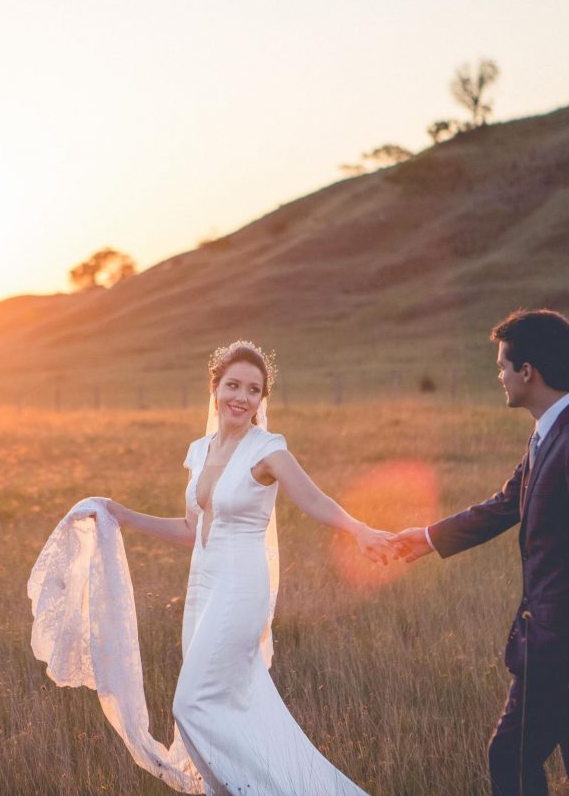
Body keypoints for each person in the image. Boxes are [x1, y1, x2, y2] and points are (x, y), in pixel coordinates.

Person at [100, 340, 393, 794]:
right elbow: (188, 529)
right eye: (233, 385)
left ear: (262, 399)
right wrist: (122, 514)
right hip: (202, 590)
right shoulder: (199, 451)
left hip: (241, 590)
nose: (242, 397)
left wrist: (359, 530)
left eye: (253, 390)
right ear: (214, 389)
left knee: (191, 704)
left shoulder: (267, 449)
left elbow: (313, 498)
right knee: (228, 708)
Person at [391, 309, 569, 796]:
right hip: (551, 639)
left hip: (559, 644)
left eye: (501, 366)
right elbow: (504, 504)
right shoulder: (546, 434)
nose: (499, 377)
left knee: (509, 756)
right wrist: (426, 538)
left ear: (527, 371)